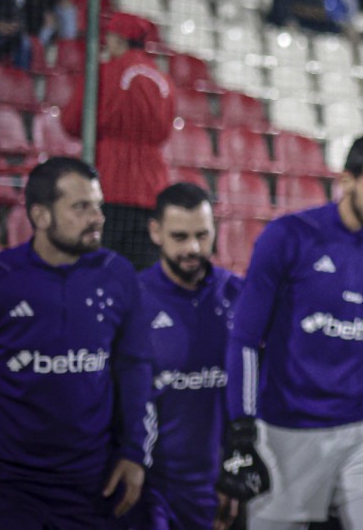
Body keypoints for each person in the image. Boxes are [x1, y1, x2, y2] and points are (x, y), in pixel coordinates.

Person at [0, 157, 153, 527]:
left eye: (98, 205)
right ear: (41, 216)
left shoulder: (117, 274)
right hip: (4, 489)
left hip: (92, 489)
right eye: (81, 207)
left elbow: (136, 367)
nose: (98, 217)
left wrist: (135, 453)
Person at [219, 133, 363, 530]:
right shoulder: (288, 237)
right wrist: (241, 431)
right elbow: (245, 339)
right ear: (346, 180)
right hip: (285, 429)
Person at [123, 183, 242, 530]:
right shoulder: (133, 299)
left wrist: (232, 473)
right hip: (148, 484)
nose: (192, 248)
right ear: (155, 232)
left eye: (202, 236)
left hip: (214, 484)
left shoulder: (237, 295)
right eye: (180, 236)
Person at [61, 12, 176, 270]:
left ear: (119, 39)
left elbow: (72, 121)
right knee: (142, 271)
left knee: (103, 266)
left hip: (110, 180)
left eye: (110, 37)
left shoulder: (103, 72)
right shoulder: (163, 78)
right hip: (152, 187)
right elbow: (166, 130)